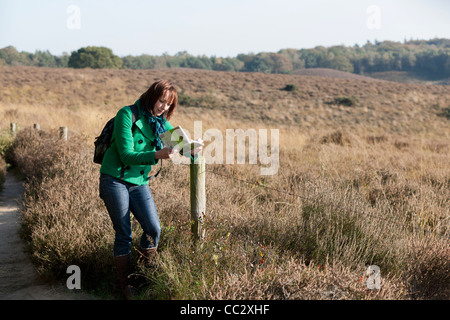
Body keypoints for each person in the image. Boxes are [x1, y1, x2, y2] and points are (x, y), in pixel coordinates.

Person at [99, 79, 201, 299]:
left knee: (153, 229)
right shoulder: (127, 114)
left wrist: (194, 148)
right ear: (151, 96)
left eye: (168, 105)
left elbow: (184, 149)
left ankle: (145, 276)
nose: (163, 107)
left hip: (139, 182)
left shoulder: (161, 123)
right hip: (115, 178)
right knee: (124, 232)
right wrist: (157, 154)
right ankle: (127, 287)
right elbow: (126, 154)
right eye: (161, 101)